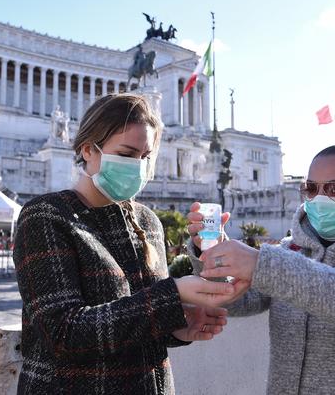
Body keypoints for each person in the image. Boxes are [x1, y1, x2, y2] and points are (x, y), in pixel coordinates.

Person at [13, 93, 245, 394]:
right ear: (88, 150)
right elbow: (63, 333)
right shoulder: (46, 216)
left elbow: (140, 321)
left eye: (145, 157)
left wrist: (179, 327)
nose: (137, 166)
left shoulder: (147, 222)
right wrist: (172, 295)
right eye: (126, 153)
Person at [190, 142, 335, 394]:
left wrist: (265, 265)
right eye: (311, 188)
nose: (320, 199)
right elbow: (236, 301)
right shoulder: (291, 249)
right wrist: (211, 253)